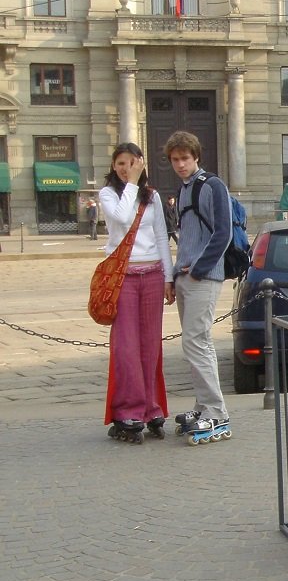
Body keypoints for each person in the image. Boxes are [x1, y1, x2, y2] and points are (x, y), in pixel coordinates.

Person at [98, 143, 175, 443]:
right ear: (114, 166)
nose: (125, 167)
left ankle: (151, 407)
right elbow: (120, 219)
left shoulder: (152, 196)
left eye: (131, 162)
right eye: (120, 162)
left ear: (141, 163)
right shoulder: (109, 194)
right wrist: (131, 184)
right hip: (123, 278)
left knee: (150, 346)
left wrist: (168, 277)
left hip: (153, 275)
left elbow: (160, 236)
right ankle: (128, 408)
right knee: (126, 346)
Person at [168, 131, 232, 438]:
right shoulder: (183, 190)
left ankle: (216, 412)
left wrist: (198, 270)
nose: (181, 164)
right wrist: (174, 275)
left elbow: (223, 233)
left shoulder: (212, 185)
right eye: (175, 159)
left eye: (185, 158)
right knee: (192, 343)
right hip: (185, 274)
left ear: (196, 157)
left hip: (203, 276)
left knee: (197, 341)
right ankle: (203, 404)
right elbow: (185, 238)